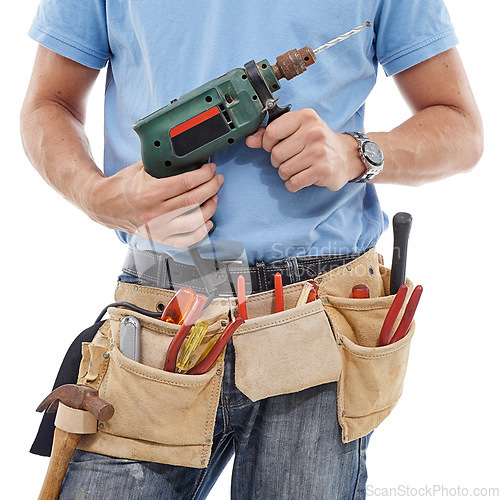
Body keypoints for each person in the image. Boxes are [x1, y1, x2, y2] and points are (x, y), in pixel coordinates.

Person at [20, 1, 482, 499]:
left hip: (319, 317)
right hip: (163, 310)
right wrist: (97, 196)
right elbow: (50, 102)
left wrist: (356, 153)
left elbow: (461, 128)